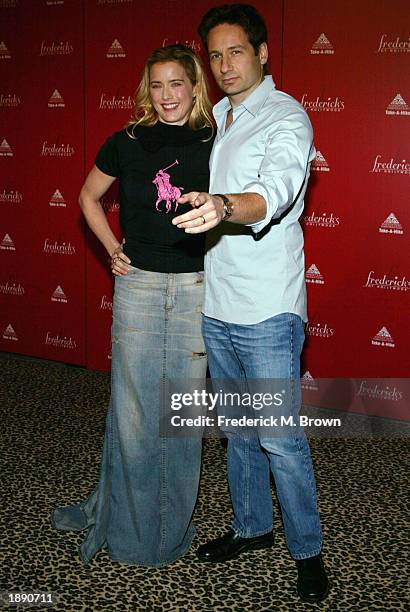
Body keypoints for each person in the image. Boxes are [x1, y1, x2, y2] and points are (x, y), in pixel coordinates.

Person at [172, 4, 329, 603]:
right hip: (218, 305)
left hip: (267, 309)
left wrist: (224, 206)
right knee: (238, 431)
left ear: (262, 53)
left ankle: (308, 550)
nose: (224, 65)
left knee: (279, 438)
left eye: (236, 51)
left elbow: (278, 189)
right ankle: (252, 529)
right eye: (214, 55)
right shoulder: (212, 115)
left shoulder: (286, 116)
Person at [51, 44, 214, 567]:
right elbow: (86, 197)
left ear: (194, 86)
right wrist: (112, 249)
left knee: (180, 415)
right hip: (139, 286)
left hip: (195, 287)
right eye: (158, 85)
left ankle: (162, 534)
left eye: (177, 84)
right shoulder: (126, 141)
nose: (168, 96)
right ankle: (115, 513)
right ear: (149, 88)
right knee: (133, 410)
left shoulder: (217, 139)